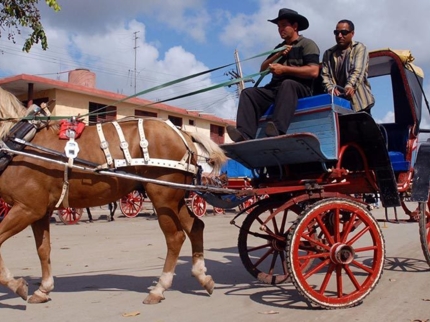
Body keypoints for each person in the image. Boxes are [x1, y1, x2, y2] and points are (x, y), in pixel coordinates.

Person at [227, 8, 320, 142]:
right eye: (278, 26)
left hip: (299, 89)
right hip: (277, 90)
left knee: (287, 84)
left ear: (295, 26)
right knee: (248, 93)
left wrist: (284, 69)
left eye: (283, 25)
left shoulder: (307, 44)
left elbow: (313, 71)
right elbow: (263, 69)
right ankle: (244, 135)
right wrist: (278, 54)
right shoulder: (279, 47)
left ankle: (277, 129)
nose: (280, 29)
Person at [321, 19, 375, 113]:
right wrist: (330, 88)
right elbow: (325, 75)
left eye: (344, 32)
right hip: (339, 104)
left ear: (352, 33)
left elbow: (357, 71)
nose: (339, 36)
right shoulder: (328, 53)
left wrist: (350, 86)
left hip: (360, 104)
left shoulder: (360, 48)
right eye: (336, 33)